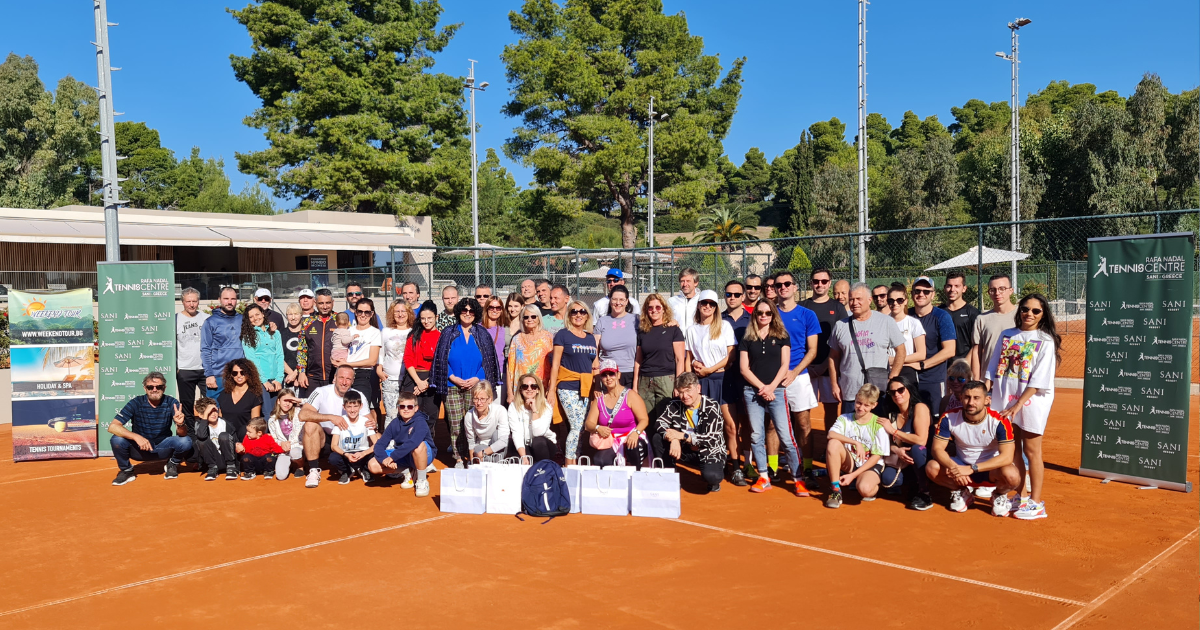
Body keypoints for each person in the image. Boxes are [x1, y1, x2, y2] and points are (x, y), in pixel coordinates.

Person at [985, 293, 1060, 520]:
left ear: (1043, 314)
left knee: (1032, 451)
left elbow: (1039, 380)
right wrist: (985, 390)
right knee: (1013, 449)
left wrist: (1017, 405)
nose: (1029, 314)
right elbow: (993, 366)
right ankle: (1022, 496)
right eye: (1025, 309)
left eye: (1036, 311)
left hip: (1031, 403)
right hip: (1005, 401)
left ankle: (1036, 503)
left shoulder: (1046, 340)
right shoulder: (1007, 334)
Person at [926, 380, 1020, 517]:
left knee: (1012, 476)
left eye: (976, 398)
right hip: (961, 466)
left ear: (987, 400)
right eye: (967, 397)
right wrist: (955, 468)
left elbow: (1007, 457)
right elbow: (937, 449)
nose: (971, 402)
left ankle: (999, 494)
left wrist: (972, 469)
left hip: (991, 470)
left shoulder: (1000, 420)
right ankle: (962, 492)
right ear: (960, 398)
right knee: (932, 468)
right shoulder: (948, 417)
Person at [739, 300, 800, 495]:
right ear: (755, 315)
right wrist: (762, 388)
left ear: (773, 315)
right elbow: (744, 368)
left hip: (777, 391)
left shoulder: (782, 336)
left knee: (786, 437)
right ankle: (764, 477)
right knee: (756, 435)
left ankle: (798, 478)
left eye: (767, 313)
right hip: (752, 392)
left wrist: (772, 387)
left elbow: (785, 365)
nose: (763, 316)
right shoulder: (747, 337)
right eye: (759, 313)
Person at [432, 298, 501, 468]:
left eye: (471, 311)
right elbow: (441, 359)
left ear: (476, 313)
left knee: (475, 423)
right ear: (458, 312)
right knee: (456, 424)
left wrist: (477, 378)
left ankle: (474, 456)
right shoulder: (448, 332)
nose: (468, 314)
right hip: (452, 386)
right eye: (464, 310)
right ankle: (458, 458)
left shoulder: (482, 333)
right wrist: (452, 377)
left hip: (476, 387)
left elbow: (488, 361)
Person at [772, 271, 821, 487]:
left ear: (795, 287)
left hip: (798, 377)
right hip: (773, 379)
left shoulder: (807, 315)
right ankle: (772, 469)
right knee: (772, 425)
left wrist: (793, 372)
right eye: (779, 285)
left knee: (803, 424)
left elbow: (812, 350)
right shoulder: (769, 313)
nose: (783, 287)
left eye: (787, 283)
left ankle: (807, 468)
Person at [827, 284, 907, 414]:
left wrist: (892, 377)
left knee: (877, 425)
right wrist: (834, 384)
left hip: (877, 393)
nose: (854, 303)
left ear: (869, 300)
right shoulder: (841, 325)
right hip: (850, 392)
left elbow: (901, 350)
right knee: (850, 426)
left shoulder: (886, 321)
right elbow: (833, 357)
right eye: (851, 299)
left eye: (859, 299)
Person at [294, 365, 377, 488]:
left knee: (376, 435)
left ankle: (365, 465)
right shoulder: (320, 392)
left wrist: (373, 423)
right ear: (335, 378)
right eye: (341, 378)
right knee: (310, 425)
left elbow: (370, 421)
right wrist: (331, 417)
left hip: (351, 440)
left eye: (348, 379)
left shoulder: (358, 395)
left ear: (353, 381)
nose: (344, 382)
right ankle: (314, 470)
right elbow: (303, 415)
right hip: (326, 438)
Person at [108, 372, 192, 485]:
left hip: (163, 448)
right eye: (150, 387)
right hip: (140, 449)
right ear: (145, 388)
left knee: (186, 441)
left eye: (159, 387)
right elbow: (113, 426)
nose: (154, 389)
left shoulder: (171, 402)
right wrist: (136, 437)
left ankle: (172, 464)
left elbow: (182, 434)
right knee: (116, 439)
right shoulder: (136, 402)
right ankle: (127, 470)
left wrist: (180, 424)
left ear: (164, 388)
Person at [655, 372, 727, 493]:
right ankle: (670, 477)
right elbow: (659, 423)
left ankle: (713, 476)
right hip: (685, 449)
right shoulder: (674, 404)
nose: (685, 396)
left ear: (698, 388)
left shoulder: (712, 406)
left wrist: (682, 436)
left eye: (688, 390)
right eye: (681, 392)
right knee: (658, 438)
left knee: (712, 476)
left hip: (708, 450)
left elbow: (712, 439)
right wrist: (674, 439)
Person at [823, 384, 890, 509]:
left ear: (874, 405)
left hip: (870, 465)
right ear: (855, 398)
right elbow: (831, 434)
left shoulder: (878, 425)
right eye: (859, 403)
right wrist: (856, 443)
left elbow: (876, 456)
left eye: (866, 405)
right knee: (833, 443)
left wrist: (853, 475)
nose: (861, 408)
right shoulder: (845, 418)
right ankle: (835, 490)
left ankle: (868, 481)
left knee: (865, 490)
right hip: (851, 462)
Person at [548, 300, 598, 465]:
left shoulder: (590, 338)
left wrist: (598, 385)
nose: (578, 315)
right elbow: (555, 364)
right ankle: (570, 464)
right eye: (574, 311)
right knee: (576, 426)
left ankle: (575, 459)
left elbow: (595, 365)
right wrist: (551, 390)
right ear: (569, 315)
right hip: (567, 386)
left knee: (582, 428)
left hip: (586, 387)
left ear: (587, 315)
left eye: (582, 311)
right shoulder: (563, 335)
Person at [799, 268, 848, 433]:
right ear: (811, 283)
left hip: (830, 369)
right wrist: (807, 366)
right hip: (805, 369)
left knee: (831, 410)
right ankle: (804, 446)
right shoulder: (802, 307)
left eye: (824, 281)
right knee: (802, 412)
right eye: (816, 281)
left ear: (829, 283)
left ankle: (830, 444)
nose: (820, 284)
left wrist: (824, 366)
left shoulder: (838, 308)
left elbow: (841, 342)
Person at [876, 376, 932, 511]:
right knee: (888, 479)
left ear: (909, 390)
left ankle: (925, 493)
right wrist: (896, 450)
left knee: (917, 449)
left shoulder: (920, 407)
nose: (897, 394)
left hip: (924, 457)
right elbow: (885, 443)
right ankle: (912, 483)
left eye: (901, 390)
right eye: (892, 392)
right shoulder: (891, 414)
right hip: (902, 459)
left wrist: (893, 431)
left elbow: (921, 440)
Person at [585, 359, 651, 468]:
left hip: (632, 435)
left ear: (618, 375)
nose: (608, 378)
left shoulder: (630, 395)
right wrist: (598, 428)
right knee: (600, 460)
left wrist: (636, 432)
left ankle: (637, 475)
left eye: (611, 374)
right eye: (604, 375)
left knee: (634, 448)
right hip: (611, 440)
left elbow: (644, 419)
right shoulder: (599, 400)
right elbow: (588, 424)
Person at [367, 391, 435, 496]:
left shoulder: (421, 422)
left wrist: (392, 457)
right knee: (373, 465)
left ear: (416, 408)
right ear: (398, 408)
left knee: (418, 446)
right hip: (404, 455)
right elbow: (380, 444)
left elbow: (413, 442)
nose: (406, 409)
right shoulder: (394, 423)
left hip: (424, 454)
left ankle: (422, 480)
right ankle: (408, 472)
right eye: (402, 406)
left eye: (410, 407)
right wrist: (384, 459)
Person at [684, 289, 736, 420]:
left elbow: (732, 355)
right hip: (702, 381)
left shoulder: (725, 326)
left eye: (712, 304)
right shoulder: (691, 330)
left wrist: (710, 370)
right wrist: (689, 384)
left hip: (722, 379)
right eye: (704, 303)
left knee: (730, 424)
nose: (708, 306)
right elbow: (689, 358)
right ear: (698, 305)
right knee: (704, 421)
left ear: (716, 307)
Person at [909, 276, 957, 415]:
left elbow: (950, 350)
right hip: (908, 378)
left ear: (933, 294)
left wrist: (923, 365)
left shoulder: (942, 317)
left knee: (936, 419)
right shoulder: (906, 315)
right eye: (917, 291)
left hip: (933, 379)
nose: (921, 294)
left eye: (926, 291)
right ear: (912, 293)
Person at [635, 293, 685, 423]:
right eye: (650, 308)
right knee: (646, 420)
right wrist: (635, 386)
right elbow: (638, 361)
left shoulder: (673, 330)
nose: (654, 310)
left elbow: (680, 359)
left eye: (658, 307)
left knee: (666, 420)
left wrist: (678, 385)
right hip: (645, 381)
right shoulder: (642, 332)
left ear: (664, 309)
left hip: (666, 380)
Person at [722, 280, 752, 486]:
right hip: (724, 378)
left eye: (736, 294)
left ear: (743, 297)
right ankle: (731, 461)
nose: (732, 298)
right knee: (730, 425)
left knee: (747, 423)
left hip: (746, 379)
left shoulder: (752, 319)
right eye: (728, 294)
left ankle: (747, 462)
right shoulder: (718, 318)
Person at [403, 302, 441, 433]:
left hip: (432, 379)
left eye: (429, 318)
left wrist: (427, 383)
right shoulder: (413, 335)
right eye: (423, 318)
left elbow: (441, 362)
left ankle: (427, 444)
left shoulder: (441, 336)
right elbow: (408, 359)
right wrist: (419, 382)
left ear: (436, 317)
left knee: (430, 416)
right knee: (410, 415)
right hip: (413, 377)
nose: (426, 321)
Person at [241, 303, 285, 417]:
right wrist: (264, 381)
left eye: (257, 314)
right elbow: (252, 360)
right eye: (251, 317)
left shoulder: (275, 333)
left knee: (279, 411)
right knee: (267, 412)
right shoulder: (247, 337)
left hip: (276, 379)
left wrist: (279, 379)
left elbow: (280, 355)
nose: (255, 318)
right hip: (261, 381)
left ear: (263, 314)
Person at [970, 274, 1016, 380]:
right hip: (988, 379)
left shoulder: (1021, 316)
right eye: (992, 290)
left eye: (1002, 289)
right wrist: (976, 381)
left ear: (1011, 291)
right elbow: (976, 351)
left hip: (1013, 379)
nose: (997, 293)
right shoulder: (982, 319)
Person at [201, 286, 244, 397]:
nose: (229, 302)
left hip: (239, 374)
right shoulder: (210, 322)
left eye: (233, 299)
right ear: (219, 299)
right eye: (226, 299)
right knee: (214, 407)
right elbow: (205, 350)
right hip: (218, 375)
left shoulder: (243, 320)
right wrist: (209, 375)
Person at [328, 390, 378, 484]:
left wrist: (363, 453)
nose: (352, 410)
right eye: (349, 406)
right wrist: (346, 455)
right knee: (333, 458)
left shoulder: (366, 422)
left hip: (363, 454)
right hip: (346, 455)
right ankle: (347, 470)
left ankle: (364, 468)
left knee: (377, 452)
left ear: (361, 406)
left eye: (355, 406)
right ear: (344, 407)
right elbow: (333, 446)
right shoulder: (340, 421)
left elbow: (377, 444)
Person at [506, 303, 555, 401]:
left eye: (533, 316)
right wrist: (509, 393)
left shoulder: (548, 337)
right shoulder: (516, 339)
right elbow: (510, 368)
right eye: (526, 317)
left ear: (539, 318)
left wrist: (551, 390)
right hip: (521, 389)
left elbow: (554, 365)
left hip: (541, 389)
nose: (529, 319)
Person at [378, 300, 414, 427]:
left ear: (409, 313)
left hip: (409, 380)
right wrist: (379, 370)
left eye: (403, 311)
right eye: (397, 311)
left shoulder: (414, 331)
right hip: (390, 379)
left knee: (408, 414)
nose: (400, 314)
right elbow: (381, 353)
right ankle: (390, 439)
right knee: (391, 415)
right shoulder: (386, 331)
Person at [176, 287, 208, 431]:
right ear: (182, 302)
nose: (191, 304)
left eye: (194, 301)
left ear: (198, 301)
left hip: (205, 369)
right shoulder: (175, 319)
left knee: (210, 403)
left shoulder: (206, 318)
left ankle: (207, 432)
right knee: (187, 405)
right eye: (188, 301)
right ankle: (190, 435)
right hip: (184, 369)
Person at [594, 285, 639, 387]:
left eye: (621, 300)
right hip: (607, 374)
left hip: (630, 373)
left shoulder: (637, 320)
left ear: (627, 301)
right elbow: (594, 349)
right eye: (614, 299)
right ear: (610, 301)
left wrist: (672, 322)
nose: (618, 303)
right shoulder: (602, 321)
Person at [296, 287, 338, 394]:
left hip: (335, 376)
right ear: (315, 303)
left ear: (333, 302)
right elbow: (302, 349)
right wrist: (301, 372)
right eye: (321, 303)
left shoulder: (340, 320)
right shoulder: (307, 323)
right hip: (313, 377)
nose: (325, 306)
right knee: (311, 404)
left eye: (328, 303)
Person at [343, 297, 382, 411]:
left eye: (367, 312)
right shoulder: (349, 331)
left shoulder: (375, 332)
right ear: (355, 312)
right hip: (345, 373)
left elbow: (372, 361)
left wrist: (348, 364)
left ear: (372, 314)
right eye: (360, 311)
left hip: (363, 375)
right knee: (344, 408)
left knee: (361, 409)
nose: (363, 315)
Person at [508, 374, 556, 463]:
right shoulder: (513, 407)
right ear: (520, 390)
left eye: (533, 386)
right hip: (525, 445)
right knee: (512, 445)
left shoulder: (546, 406)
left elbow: (538, 433)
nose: (529, 389)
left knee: (538, 441)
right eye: (525, 386)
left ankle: (543, 469)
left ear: (538, 390)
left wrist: (534, 410)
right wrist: (523, 457)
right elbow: (516, 433)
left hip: (544, 445)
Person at [886, 283, 926, 382]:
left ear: (906, 301)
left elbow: (921, 354)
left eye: (899, 300)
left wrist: (895, 360)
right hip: (886, 370)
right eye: (891, 300)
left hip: (907, 370)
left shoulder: (914, 323)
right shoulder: (882, 322)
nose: (895, 303)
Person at [217, 358, 264, 443]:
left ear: (248, 374)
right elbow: (220, 420)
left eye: (242, 372)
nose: (239, 375)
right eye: (235, 373)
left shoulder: (254, 395)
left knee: (244, 430)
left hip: (245, 437)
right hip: (226, 437)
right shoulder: (224, 394)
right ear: (231, 375)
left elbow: (254, 423)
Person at [193, 396, 237, 481]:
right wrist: (205, 417)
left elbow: (234, 442)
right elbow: (201, 436)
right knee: (201, 441)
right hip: (213, 460)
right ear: (201, 415)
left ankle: (231, 468)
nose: (213, 414)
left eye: (214, 411)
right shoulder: (199, 425)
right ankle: (212, 468)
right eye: (209, 412)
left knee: (224, 436)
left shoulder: (225, 424)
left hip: (227, 458)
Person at [463, 381, 509, 461]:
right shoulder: (469, 416)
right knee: (481, 455)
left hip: (498, 445)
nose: (479, 403)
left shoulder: (500, 410)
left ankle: (495, 463)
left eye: (482, 399)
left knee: (497, 434)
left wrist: (484, 453)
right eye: (476, 399)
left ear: (490, 399)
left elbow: (504, 440)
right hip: (482, 445)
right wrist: (472, 461)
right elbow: (471, 442)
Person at [267, 388, 305, 480]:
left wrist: (299, 400)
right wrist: (281, 443)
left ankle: (300, 466)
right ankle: (290, 463)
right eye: (285, 400)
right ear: (278, 401)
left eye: (290, 401)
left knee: (295, 453)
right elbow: (274, 438)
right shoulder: (272, 419)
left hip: (297, 445)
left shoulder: (299, 412)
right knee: (280, 476)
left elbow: (313, 403)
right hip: (284, 450)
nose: (287, 404)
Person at [942, 272, 979, 361]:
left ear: (964, 289)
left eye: (957, 286)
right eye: (949, 286)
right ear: (945, 288)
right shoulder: (939, 312)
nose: (952, 289)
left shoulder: (973, 313)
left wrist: (965, 364)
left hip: (964, 364)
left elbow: (976, 344)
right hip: (942, 364)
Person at [480, 296, 509, 400]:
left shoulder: (503, 329)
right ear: (486, 308)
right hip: (481, 371)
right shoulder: (478, 328)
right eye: (491, 307)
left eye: (498, 308)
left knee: (497, 405)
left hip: (499, 371)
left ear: (502, 310)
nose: (495, 310)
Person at [281, 302, 303, 390]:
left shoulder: (306, 333)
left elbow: (309, 355)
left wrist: (296, 373)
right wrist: (291, 374)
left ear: (301, 315)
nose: (293, 317)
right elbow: (279, 356)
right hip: (287, 378)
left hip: (303, 376)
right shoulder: (281, 333)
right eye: (290, 314)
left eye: (296, 314)